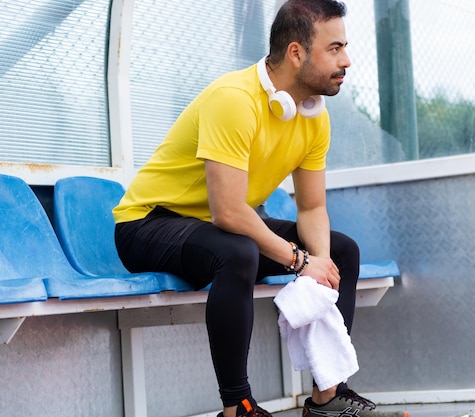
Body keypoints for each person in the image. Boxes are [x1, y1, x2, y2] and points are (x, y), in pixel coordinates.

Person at [113, 1, 408, 417]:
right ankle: (238, 407)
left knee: (341, 252)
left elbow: (313, 207)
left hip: (217, 228)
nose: (346, 60)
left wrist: (319, 263)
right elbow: (229, 213)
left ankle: (328, 397)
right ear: (296, 53)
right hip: (148, 223)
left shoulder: (313, 118)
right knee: (239, 252)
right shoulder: (233, 100)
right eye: (335, 48)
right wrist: (299, 260)